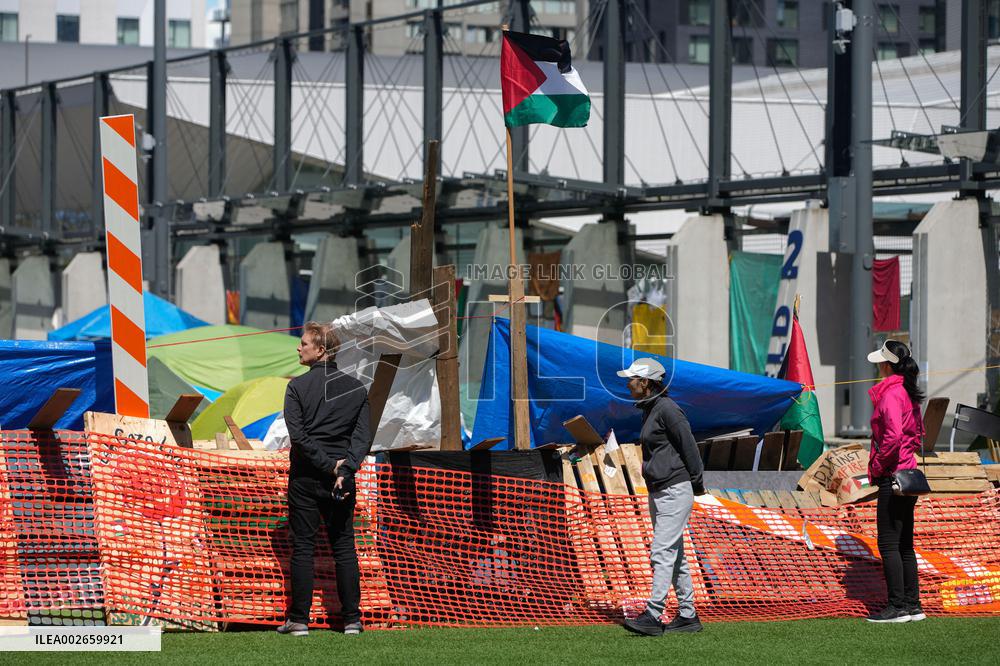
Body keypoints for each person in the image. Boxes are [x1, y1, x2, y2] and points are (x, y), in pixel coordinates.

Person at [276, 321, 372, 637]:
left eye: (303, 343)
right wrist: (345, 469)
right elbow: (363, 437)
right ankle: (352, 621)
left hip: (306, 475)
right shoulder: (357, 388)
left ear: (321, 350)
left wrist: (331, 467)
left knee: (303, 546)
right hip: (341, 478)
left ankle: (299, 620)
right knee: (344, 547)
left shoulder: (297, 388)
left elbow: (299, 437)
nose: (298, 347)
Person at [618, 358, 705, 636]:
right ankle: (688, 616)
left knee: (661, 552)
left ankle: (653, 615)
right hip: (663, 490)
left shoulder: (667, 409)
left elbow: (689, 446)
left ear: (646, 383)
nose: (628, 383)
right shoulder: (653, 408)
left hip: (675, 490)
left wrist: (697, 483)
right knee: (674, 555)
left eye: (632, 378)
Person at [865, 339, 926, 624]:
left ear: (887, 365)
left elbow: (892, 437)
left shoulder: (891, 394)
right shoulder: (909, 393)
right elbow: (916, 435)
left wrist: (877, 466)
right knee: (904, 545)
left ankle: (897, 607)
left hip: (893, 476)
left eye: (880, 361)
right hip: (909, 475)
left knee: (889, 544)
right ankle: (913, 605)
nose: (878, 366)